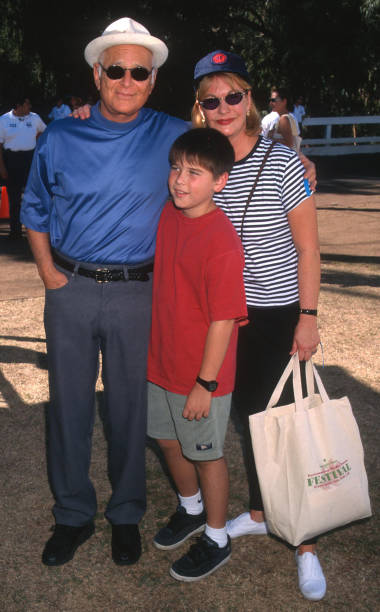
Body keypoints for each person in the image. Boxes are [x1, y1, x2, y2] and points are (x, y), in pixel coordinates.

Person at [20, 17, 187, 568]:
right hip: (69, 289)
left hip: (139, 293)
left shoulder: (171, 134)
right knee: (67, 406)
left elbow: (227, 155)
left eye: (139, 71)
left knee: (128, 410)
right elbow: (36, 208)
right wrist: (48, 273)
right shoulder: (63, 134)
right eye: (115, 69)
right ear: (97, 74)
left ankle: (125, 514)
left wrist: (295, 157)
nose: (126, 80)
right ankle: (72, 515)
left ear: (153, 80)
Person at [191, 50, 325, 601]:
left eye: (233, 96)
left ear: (251, 98)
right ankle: (260, 511)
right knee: (249, 418)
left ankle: (307, 545)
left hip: (275, 314)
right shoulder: (198, 161)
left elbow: (309, 248)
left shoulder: (285, 162)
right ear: (199, 108)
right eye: (211, 100)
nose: (223, 108)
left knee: (286, 426)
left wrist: (309, 316)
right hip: (224, 317)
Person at [147, 127, 247, 582]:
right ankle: (190, 510)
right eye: (176, 168)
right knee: (168, 441)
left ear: (219, 182)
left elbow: (223, 320)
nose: (180, 181)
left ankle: (217, 536)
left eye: (194, 173)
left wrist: (205, 385)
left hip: (201, 375)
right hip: (160, 362)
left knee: (205, 454)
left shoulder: (222, 240)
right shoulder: (170, 213)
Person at [0, 97, 46, 239]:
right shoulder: (4, 120)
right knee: (14, 198)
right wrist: (2, 167)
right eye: (27, 104)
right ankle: (15, 231)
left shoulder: (34, 118)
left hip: (30, 159)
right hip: (11, 160)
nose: (30, 106)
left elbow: (44, 132)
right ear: (18, 106)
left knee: (32, 197)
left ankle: (34, 231)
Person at [268, 87, 302, 152]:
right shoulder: (291, 117)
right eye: (270, 100)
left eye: (273, 100)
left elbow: (289, 144)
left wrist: (270, 139)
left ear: (284, 101)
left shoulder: (284, 119)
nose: (270, 103)